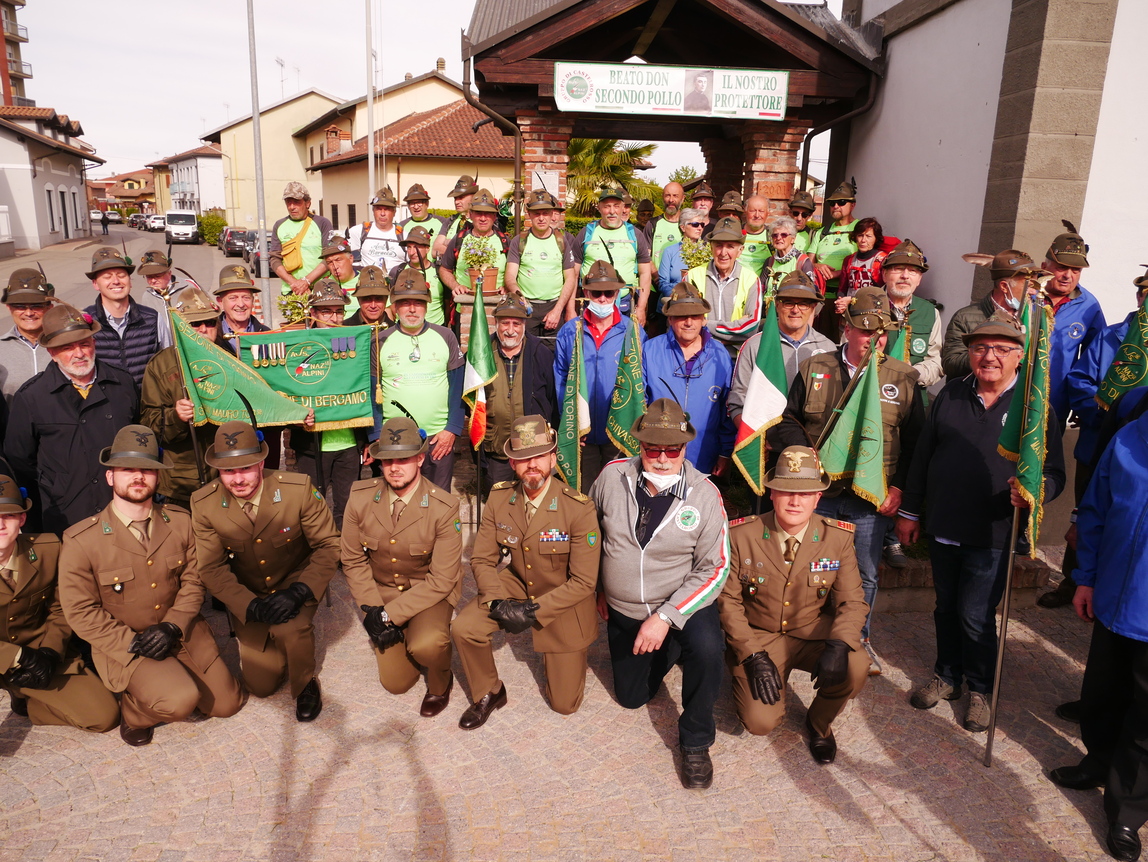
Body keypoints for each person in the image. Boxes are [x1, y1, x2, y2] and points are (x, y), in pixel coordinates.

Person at [897, 317, 1064, 732]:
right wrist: (910, 512)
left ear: (1020, 356)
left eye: (1001, 349)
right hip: (945, 524)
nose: (989, 356)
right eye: (980, 348)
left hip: (994, 532)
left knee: (975, 614)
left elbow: (1056, 474)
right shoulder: (950, 393)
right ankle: (947, 676)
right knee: (946, 607)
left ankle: (980, 689)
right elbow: (922, 457)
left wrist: (1036, 487)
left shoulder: (1034, 407)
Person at [59, 425, 247, 746]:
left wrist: (173, 626)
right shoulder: (81, 540)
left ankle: (174, 676)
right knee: (179, 700)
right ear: (110, 477)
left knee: (228, 705)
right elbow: (81, 612)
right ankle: (135, 711)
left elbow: (193, 579)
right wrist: (131, 643)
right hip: (129, 644)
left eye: (146, 470)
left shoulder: (180, 521)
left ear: (157, 477)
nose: (138, 477)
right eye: (128, 469)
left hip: (181, 632)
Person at [772, 286, 923, 675]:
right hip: (816, 493)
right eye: (863, 330)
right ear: (847, 328)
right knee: (806, 567)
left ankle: (856, 641)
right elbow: (786, 421)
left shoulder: (903, 377)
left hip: (870, 497)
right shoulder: (815, 367)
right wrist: (805, 460)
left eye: (880, 333)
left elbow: (917, 444)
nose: (871, 339)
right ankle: (804, 636)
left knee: (864, 574)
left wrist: (900, 489)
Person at [590, 398, 730, 789]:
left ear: (685, 448)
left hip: (681, 604)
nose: (663, 458)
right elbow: (592, 536)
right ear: (639, 446)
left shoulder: (705, 494)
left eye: (673, 449)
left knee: (706, 648)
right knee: (632, 697)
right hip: (625, 608)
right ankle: (669, 650)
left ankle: (696, 741)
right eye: (654, 448)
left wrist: (666, 618)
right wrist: (599, 587)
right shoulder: (610, 477)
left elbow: (716, 567)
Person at [719, 446, 870, 763]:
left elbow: (852, 601)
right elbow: (728, 602)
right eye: (786, 491)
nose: (795, 501)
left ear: (818, 497)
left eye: (805, 493)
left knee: (856, 667)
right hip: (760, 638)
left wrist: (840, 644)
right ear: (771, 492)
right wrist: (751, 654)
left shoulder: (837, 538)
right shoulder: (741, 535)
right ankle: (756, 678)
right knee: (760, 723)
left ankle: (819, 725)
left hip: (811, 633)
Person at [452, 415, 600, 728]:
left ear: (552, 456)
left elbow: (584, 583)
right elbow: (482, 559)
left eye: (538, 456)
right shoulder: (499, 497)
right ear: (511, 462)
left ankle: (560, 658)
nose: (531, 465)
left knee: (565, 705)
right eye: (522, 458)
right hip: (516, 584)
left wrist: (532, 612)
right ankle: (489, 692)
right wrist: (495, 602)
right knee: (464, 627)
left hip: (562, 601)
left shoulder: (578, 507)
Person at [1047, 404, 1148, 862]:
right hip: (1112, 596)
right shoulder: (1128, 439)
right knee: (1103, 691)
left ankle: (1127, 809)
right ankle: (1097, 761)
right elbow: (1095, 512)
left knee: (1146, 716)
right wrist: (1084, 576)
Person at [190, 421, 340, 722]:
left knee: (290, 628)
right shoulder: (204, 504)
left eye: (245, 468)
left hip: (294, 580)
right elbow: (211, 567)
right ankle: (272, 644)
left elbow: (328, 546)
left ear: (261, 462)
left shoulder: (296, 490)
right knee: (261, 686)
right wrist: (249, 606)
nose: (238, 479)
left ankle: (306, 682)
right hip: (248, 592)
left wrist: (300, 591)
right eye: (228, 471)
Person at [340, 416, 463, 717]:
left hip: (427, 594)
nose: (395, 468)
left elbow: (442, 580)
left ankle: (440, 680)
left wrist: (388, 615)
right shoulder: (360, 498)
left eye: (404, 459)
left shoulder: (444, 508)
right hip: (382, 593)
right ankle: (408, 635)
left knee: (427, 645)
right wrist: (371, 609)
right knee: (396, 683)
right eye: (387, 460)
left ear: (420, 458)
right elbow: (353, 560)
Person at [1052, 270, 1148, 610]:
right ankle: (1073, 581)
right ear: (1138, 297)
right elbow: (1079, 381)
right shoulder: (1110, 337)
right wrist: (1108, 416)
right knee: (1085, 515)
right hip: (1098, 443)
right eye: (1144, 294)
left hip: (1141, 455)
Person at [5, 303, 139, 535]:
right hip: (66, 514)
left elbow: (136, 438)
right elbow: (20, 461)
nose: (78, 354)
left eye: (84, 344)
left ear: (94, 343)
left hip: (122, 507)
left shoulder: (123, 384)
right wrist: (59, 485)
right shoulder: (32, 397)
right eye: (67, 347)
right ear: (52, 353)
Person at [0, 474, 119, 733]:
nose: (0, 524)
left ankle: (28, 699)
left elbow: (62, 606)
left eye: (8, 515)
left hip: (39, 651)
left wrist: (50, 652)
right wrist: (17, 657)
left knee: (103, 716)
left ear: (22, 518)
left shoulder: (48, 549)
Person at [554, 261, 647, 489]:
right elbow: (561, 382)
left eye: (608, 293)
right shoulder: (570, 331)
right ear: (586, 293)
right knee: (583, 496)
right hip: (582, 435)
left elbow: (641, 385)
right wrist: (571, 425)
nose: (603, 299)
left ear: (617, 293)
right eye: (597, 293)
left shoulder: (633, 332)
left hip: (620, 433)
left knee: (620, 496)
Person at [377, 269, 464, 492]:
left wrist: (451, 429)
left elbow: (457, 387)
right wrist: (377, 436)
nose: (412, 309)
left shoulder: (446, 336)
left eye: (418, 302)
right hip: (394, 439)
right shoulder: (380, 341)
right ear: (395, 307)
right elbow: (371, 391)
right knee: (398, 504)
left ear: (427, 305)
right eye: (405, 303)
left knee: (438, 504)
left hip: (438, 439)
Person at [287, 280, 364, 529]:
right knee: (313, 507)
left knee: (348, 506)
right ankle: (319, 557)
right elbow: (287, 393)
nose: (334, 317)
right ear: (313, 314)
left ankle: (346, 554)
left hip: (349, 443)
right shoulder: (299, 347)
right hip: (312, 445)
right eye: (326, 311)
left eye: (339, 311)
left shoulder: (355, 344)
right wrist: (298, 418)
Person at [139, 286, 222, 507]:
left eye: (210, 322)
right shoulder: (161, 365)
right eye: (195, 323)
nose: (203, 329)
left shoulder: (231, 360)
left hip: (227, 477)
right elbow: (149, 424)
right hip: (181, 485)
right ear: (181, 326)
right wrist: (176, 416)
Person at [729, 271, 834, 443]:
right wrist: (757, 440)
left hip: (814, 447)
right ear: (776, 305)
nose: (795, 310)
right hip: (766, 447)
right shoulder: (754, 346)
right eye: (788, 303)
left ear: (813, 308)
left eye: (804, 304)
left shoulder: (827, 348)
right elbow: (737, 401)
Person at [642, 281, 733, 475]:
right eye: (682, 316)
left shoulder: (720, 355)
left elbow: (727, 408)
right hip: (659, 456)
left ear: (704, 319)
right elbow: (638, 403)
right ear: (670, 318)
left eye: (695, 316)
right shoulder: (649, 350)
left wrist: (725, 452)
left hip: (704, 455)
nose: (689, 322)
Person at [478, 293, 557, 489]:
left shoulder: (542, 353)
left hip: (533, 450)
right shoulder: (481, 353)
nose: (510, 330)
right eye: (505, 323)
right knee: (499, 505)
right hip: (497, 448)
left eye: (517, 324)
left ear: (524, 325)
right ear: (495, 322)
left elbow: (552, 399)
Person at [1041, 221, 1106, 426]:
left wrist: (1083, 403)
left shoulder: (1089, 306)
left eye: (1076, 270)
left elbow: (1095, 359)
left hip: (1055, 405)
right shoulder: (1025, 294)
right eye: (1061, 268)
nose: (1068, 276)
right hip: (1009, 398)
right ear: (1045, 267)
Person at [942, 249, 1045, 378]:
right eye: (1028, 285)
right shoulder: (964, 317)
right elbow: (950, 365)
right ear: (1004, 286)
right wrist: (986, 352)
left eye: (1035, 285)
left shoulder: (1036, 318)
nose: (1033, 292)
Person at [572, 185, 653, 326]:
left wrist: (641, 308)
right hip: (592, 302)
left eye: (616, 206)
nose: (612, 211)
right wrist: (570, 308)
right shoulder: (586, 233)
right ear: (599, 208)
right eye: (606, 206)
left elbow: (645, 273)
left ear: (623, 207)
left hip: (626, 302)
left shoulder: (635, 234)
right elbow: (573, 274)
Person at [83, 247, 163, 386]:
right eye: (107, 276)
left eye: (121, 275)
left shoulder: (153, 319)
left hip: (148, 405)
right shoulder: (85, 323)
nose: (116, 281)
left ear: (130, 281)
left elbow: (167, 364)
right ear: (95, 284)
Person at [686, 215, 763, 355]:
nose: (723, 253)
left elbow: (751, 327)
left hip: (736, 358)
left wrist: (706, 324)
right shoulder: (692, 276)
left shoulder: (751, 279)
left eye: (730, 246)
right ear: (711, 247)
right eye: (719, 245)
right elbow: (687, 323)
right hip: (700, 354)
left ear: (740, 251)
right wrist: (734, 334)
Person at [504, 189, 577, 337]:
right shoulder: (519, 241)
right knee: (526, 354)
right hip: (526, 306)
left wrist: (558, 310)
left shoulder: (562, 241)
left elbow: (570, 277)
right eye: (537, 213)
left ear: (552, 214)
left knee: (552, 355)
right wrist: (520, 297)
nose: (541, 218)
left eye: (545, 213)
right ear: (529, 214)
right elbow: (510, 276)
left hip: (554, 306)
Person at [438, 188, 509, 298]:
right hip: (464, 307)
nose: (483, 218)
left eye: (488, 214)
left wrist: (507, 287)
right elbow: (444, 269)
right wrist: (455, 286)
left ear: (494, 217)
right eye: (478, 213)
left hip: (499, 308)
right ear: (470, 215)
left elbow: (517, 272)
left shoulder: (505, 241)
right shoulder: (459, 239)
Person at [269, 181, 335, 297]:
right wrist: (294, 283)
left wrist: (306, 281)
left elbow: (329, 257)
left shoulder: (322, 223)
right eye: (288, 203)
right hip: (291, 291)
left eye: (296, 202)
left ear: (308, 203)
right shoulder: (279, 225)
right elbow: (275, 259)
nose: (292, 207)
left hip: (321, 289)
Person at [0, 267, 55, 406]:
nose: (29, 313)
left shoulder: (67, 345)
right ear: (9, 308)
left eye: (36, 306)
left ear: (49, 307)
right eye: (20, 306)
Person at [809, 180, 859, 328]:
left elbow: (865, 259)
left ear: (853, 205)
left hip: (846, 299)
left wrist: (839, 273)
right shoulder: (821, 232)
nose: (836, 206)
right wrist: (817, 265)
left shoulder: (860, 230)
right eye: (832, 203)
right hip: (821, 297)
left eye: (842, 202)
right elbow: (807, 263)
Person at [389, 225, 448, 327]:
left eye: (417, 247)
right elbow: (391, 305)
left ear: (427, 248)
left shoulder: (439, 271)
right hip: (404, 330)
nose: (412, 252)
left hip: (435, 329)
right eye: (409, 247)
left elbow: (447, 304)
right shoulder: (398, 271)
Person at [347, 186, 406, 274]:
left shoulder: (404, 236)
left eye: (387, 209)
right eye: (378, 209)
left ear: (394, 212)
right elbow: (345, 259)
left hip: (396, 285)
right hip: (367, 284)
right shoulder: (359, 231)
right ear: (373, 211)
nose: (382, 213)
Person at [657, 208, 707, 310]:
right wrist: (679, 295)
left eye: (702, 225)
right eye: (695, 224)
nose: (699, 228)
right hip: (673, 304)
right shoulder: (670, 251)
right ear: (683, 227)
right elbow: (663, 283)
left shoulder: (707, 253)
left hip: (699, 305)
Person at [214, 264, 270, 354]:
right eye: (233, 298)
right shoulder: (212, 336)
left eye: (246, 298)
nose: (241, 304)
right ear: (220, 302)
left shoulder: (267, 335)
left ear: (252, 300)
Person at [835, 217, 889, 307]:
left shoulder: (883, 260)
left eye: (868, 236)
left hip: (873, 309)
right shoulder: (848, 260)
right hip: (850, 311)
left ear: (876, 238)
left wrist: (853, 300)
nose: (863, 240)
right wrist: (840, 302)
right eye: (860, 235)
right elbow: (842, 289)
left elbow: (886, 292)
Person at [760, 216, 817, 293]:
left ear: (793, 239)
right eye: (775, 235)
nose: (779, 238)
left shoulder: (803, 261)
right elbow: (761, 289)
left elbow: (808, 292)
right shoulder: (769, 261)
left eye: (784, 235)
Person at [644, 181, 685, 280]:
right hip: (655, 283)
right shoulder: (652, 224)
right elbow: (645, 255)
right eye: (667, 196)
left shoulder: (688, 224)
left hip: (682, 285)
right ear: (663, 198)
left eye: (675, 196)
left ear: (683, 199)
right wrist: (655, 275)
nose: (671, 200)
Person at [436, 174, 479, 258]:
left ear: (473, 196)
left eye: (461, 197)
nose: (456, 202)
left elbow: (480, 250)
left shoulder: (480, 221)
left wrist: (450, 243)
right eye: (455, 198)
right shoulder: (450, 221)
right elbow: (435, 250)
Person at [318, 236, 360, 315]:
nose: (335, 266)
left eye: (338, 260)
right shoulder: (322, 285)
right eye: (329, 262)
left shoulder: (366, 280)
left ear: (351, 259)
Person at [739, 195, 772, 276]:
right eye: (752, 211)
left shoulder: (773, 236)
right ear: (745, 211)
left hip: (761, 286)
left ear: (768, 213)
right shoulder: (735, 233)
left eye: (761, 211)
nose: (757, 215)